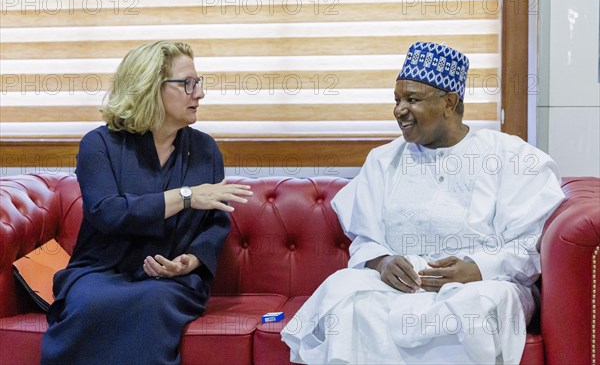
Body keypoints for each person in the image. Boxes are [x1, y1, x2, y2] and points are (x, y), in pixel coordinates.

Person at [281, 42, 566, 364]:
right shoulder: (383, 160)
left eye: (412, 99)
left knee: (474, 306)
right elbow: (366, 238)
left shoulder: (511, 157)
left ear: (449, 102)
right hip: (401, 285)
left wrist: (478, 268)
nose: (400, 110)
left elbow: (528, 245)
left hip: (484, 284)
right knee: (344, 293)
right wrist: (382, 261)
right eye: (397, 100)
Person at [41, 41, 253, 364]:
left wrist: (189, 261)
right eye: (188, 84)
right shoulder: (98, 145)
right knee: (90, 304)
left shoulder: (206, 150)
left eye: (198, 83)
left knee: (153, 303)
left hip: (169, 281)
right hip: (100, 272)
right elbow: (107, 212)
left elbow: (215, 223)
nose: (199, 93)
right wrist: (186, 197)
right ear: (150, 88)